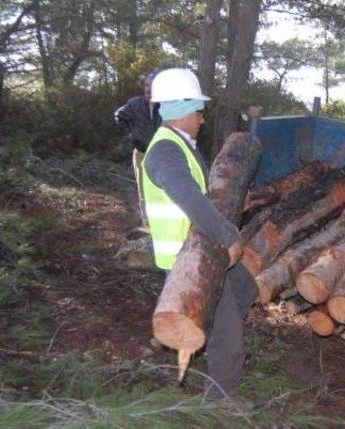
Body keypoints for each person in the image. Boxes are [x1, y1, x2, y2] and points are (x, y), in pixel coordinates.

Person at [142, 68, 257, 398]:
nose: (202, 120)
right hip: (190, 263)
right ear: (180, 110)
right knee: (229, 341)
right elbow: (190, 198)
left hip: (200, 247)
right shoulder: (166, 151)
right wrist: (227, 235)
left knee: (245, 288)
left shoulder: (179, 143)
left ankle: (201, 329)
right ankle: (220, 403)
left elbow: (201, 192)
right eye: (198, 111)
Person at [114, 73, 161, 226]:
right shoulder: (135, 104)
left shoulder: (167, 106)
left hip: (161, 154)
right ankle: (147, 222)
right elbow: (118, 115)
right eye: (147, 85)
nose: (149, 89)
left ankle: (160, 220)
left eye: (152, 86)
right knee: (143, 188)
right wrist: (130, 134)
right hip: (141, 153)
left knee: (161, 187)